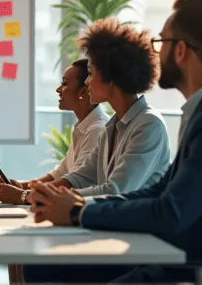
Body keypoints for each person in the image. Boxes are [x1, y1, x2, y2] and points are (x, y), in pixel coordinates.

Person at [24, 0, 202, 283]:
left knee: (45, 268)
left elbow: (171, 212)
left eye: (161, 42)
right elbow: (161, 191)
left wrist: (78, 213)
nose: (156, 52)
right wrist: (81, 208)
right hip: (184, 258)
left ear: (181, 50)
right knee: (41, 267)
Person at [39, 18, 170, 197]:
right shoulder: (111, 127)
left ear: (112, 77)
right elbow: (80, 177)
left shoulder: (149, 124)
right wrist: (32, 194)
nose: (86, 81)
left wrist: (44, 197)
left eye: (90, 73)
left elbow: (115, 191)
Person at [0, 58, 109, 205]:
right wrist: (22, 187)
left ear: (83, 91)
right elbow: (60, 173)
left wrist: (22, 195)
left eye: (64, 84)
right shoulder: (84, 126)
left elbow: (75, 182)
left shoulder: (96, 129)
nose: (58, 89)